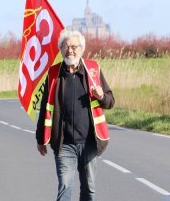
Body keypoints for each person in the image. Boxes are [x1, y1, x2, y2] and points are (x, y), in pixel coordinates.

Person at [36, 29, 115, 201]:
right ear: (60, 49)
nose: (70, 50)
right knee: (64, 188)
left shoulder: (93, 70)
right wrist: (40, 139)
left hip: (89, 142)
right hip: (64, 144)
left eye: (74, 46)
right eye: (65, 46)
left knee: (89, 190)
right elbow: (44, 109)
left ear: (82, 49)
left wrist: (101, 96)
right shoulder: (53, 74)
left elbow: (110, 101)